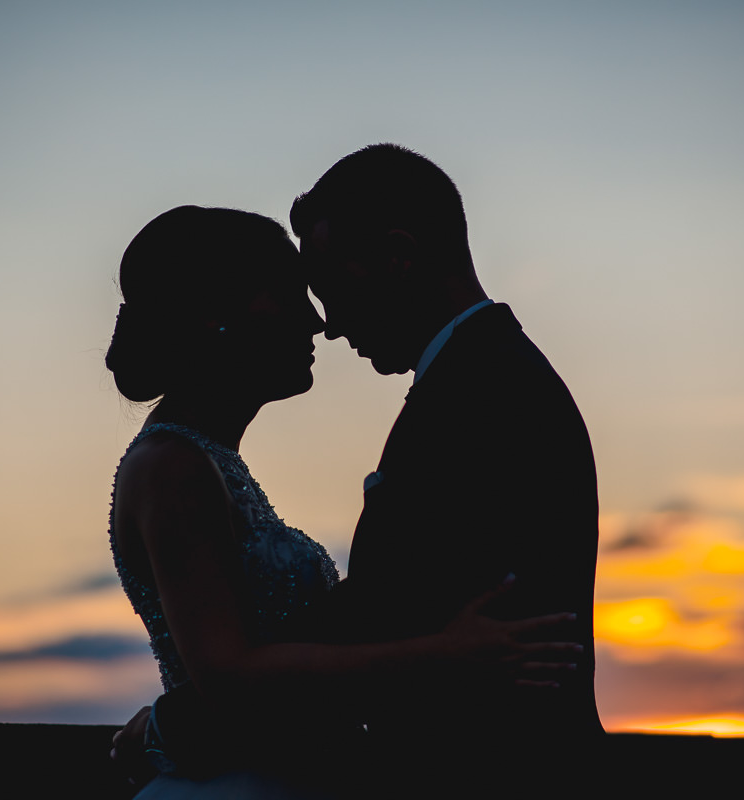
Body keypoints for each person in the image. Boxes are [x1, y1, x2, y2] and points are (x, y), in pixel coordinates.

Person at [105, 205, 581, 797]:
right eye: (287, 294)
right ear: (215, 317)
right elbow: (227, 676)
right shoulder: (173, 467)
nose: (316, 322)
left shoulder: (206, 465)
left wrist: (167, 725)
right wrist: (446, 654)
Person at [289, 144, 605, 786]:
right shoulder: (486, 374)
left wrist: (185, 714)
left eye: (335, 290)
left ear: (397, 257)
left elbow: (387, 611)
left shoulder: (482, 393)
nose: (329, 326)